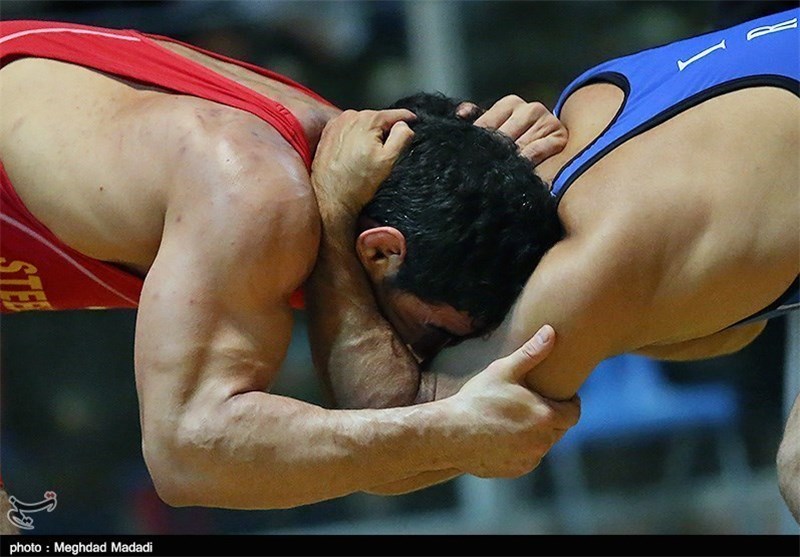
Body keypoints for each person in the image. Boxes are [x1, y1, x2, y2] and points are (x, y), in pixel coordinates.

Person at [0, 18, 581, 527]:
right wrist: (445, 428)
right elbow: (186, 454)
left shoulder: (388, 157)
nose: (425, 356)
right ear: (381, 252)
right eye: (431, 332)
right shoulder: (253, 192)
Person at [306, 8, 799, 515]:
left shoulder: (594, 263)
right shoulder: (573, 126)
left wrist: (333, 209)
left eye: (434, 333)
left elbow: (392, 443)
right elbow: (732, 328)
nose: (422, 352)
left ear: (382, 249)